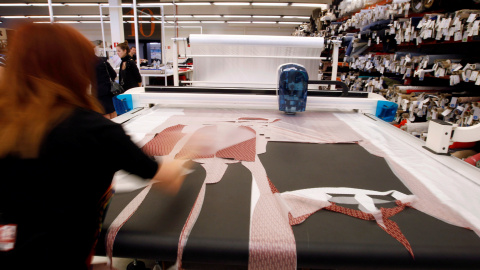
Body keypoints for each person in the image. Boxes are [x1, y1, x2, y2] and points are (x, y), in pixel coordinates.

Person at [0, 23, 187, 270]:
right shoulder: (90, 130)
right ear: (72, 69)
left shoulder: (8, 124)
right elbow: (165, 177)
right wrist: (187, 152)